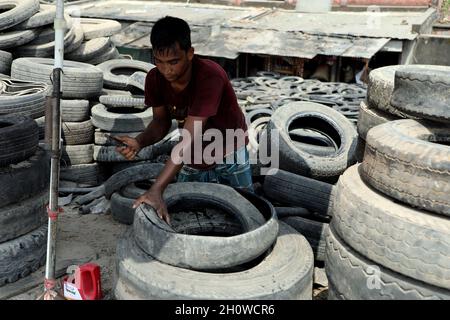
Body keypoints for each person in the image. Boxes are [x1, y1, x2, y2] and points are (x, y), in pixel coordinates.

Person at [115, 16, 252, 225]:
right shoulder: (154, 79)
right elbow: (160, 123)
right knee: (187, 213)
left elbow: (187, 138)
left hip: (228, 148)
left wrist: (156, 189)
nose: (166, 69)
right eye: (159, 62)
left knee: (245, 210)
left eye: (173, 62)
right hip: (194, 152)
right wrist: (139, 142)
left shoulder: (210, 76)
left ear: (190, 53)